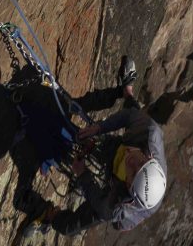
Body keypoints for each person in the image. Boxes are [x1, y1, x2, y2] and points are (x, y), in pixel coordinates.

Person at [19, 58, 166, 238]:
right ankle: (126, 90)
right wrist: (100, 128)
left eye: (133, 172)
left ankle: (46, 214)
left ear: (128, 185)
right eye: (141, 163)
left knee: (69, 227)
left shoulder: (118, 208)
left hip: (116, 189)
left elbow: (99, 203)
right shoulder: (150, 134)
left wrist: (82, 174)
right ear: (150, 157)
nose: (132, 161)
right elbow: (129, 117)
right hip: (129, 145)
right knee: (135, 117)